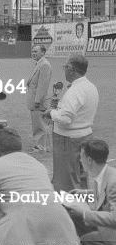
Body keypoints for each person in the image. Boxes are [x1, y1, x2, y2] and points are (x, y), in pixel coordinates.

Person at [42, 54, 98, 192]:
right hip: (85, 136)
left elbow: (66, 119)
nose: (64, 70)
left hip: (68, 140)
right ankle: (83, 207)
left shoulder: (75, 90)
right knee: (81, 176)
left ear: (71, 69)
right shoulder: (90, 87)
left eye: (65, 67)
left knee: (65, 180)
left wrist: (51, 113)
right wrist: (59, 108)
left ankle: (69, 211)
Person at [64, 139, 116, 245]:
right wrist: (85, 193)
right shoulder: (101, 173)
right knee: (72, 210)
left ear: (89, 160)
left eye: (81, 156)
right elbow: (102, 196)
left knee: (86, 240)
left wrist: (84, 213)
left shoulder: (113, 181)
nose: (80, 160)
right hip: (107, 229)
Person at [26, 45, 51, 152]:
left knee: (39, 124)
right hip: (36, 99)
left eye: (36, 51)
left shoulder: (44, 65)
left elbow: (42, 85)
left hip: (38, 101)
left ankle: (40, 147)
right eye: (32, 51)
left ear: (43, 52)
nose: (33, 53)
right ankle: (45, 146)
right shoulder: (40, 64)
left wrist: (37, 100)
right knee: (41, 123)